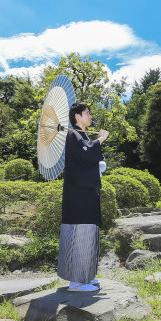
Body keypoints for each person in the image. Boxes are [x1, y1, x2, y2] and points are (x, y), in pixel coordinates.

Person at [57, 102, 109, 292]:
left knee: (88, 234)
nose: (90, 116)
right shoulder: (73, 134)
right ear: (77, 116)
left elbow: (87, 159)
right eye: (87, 113)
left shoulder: (81, 135)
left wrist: (98, 167)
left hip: (84, 195)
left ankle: (85, 276)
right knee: (80, 234)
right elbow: (87, 151)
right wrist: (101, 138)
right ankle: (77, 282)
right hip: (78, 197)